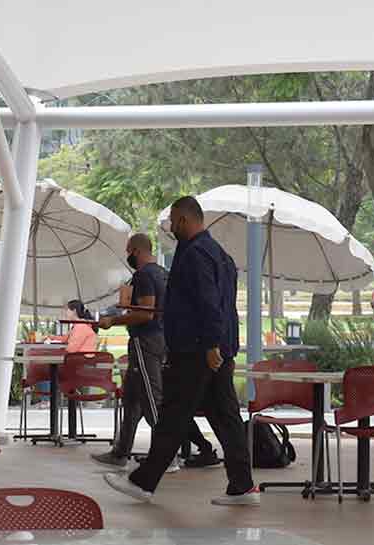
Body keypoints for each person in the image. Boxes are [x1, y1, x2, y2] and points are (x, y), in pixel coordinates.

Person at [104, 196, 256, 506]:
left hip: (197, 350)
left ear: (185, 220)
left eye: (174, 221)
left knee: (174, 412)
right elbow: (227, 306)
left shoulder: (195, 255)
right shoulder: (220, 255)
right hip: (217, 349)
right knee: (225, 416)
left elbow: (210, 302)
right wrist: (222, 345)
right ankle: (242, 486)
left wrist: (211, 344)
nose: (171, 227)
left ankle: (143, 482)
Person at [91, 233, 219, 472]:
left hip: (145, 341)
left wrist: (113, 321)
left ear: (136, 251)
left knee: (152, 399)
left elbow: (145, 313)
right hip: (161, 339)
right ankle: (120, 452)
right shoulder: (161, 273)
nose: (128, 255)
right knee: (131, 399)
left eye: (129, 251)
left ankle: (165, 456)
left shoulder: (144, 275)